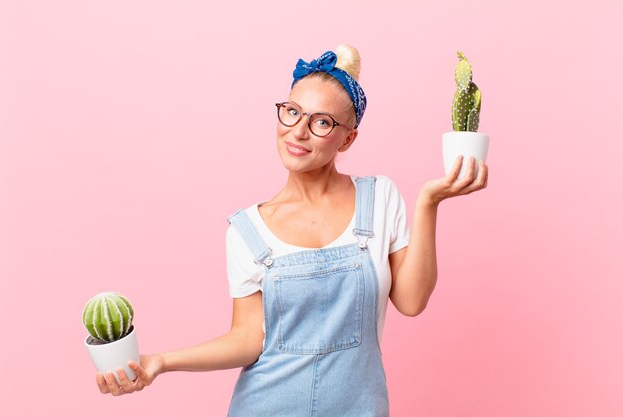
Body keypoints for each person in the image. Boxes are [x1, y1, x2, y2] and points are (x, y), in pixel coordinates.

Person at [95, 45, 488, 416]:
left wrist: (428, 203)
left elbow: (412, 300)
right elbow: (249, 339)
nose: (298, 132)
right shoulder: (247, 229)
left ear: (347, 139)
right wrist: (160, 362)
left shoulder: (380, 198)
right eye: (292, 112)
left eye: (321, 122)